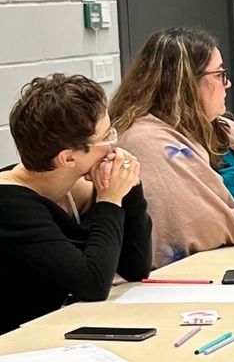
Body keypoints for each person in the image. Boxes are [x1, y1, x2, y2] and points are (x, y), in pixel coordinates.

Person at [110, 27, 234, 268]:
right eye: (220, 74)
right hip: (178, 278)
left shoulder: (223, 129)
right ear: (187, 83)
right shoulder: (145, 140)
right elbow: (205, 224)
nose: (227, 84)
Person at [0, 74, 151, 334]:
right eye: (106, 137)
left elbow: (135, 267)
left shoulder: (76, 189)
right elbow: (92, 283)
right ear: (68, 158)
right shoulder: (10, 204)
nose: (114, 145)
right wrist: (110, 199)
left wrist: (130, 187)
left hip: (53, 333)